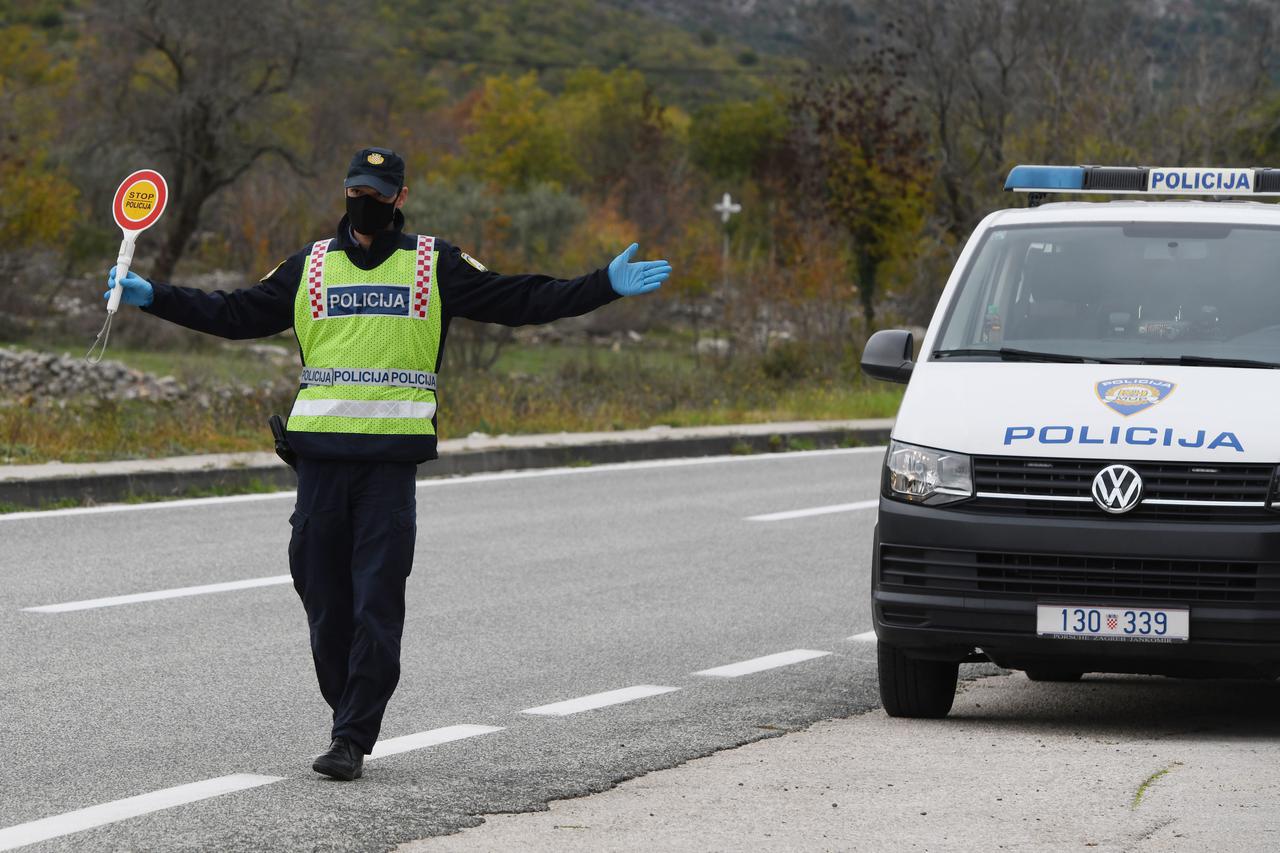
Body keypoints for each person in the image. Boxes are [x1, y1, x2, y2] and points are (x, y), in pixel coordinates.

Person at [104, 146, 671, 781]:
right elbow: (235, 313)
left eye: (376, 191)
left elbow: (520, 300)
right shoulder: (310, 265)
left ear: (400, 197)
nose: (363, 200)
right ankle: (348, 704)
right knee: (322, 596)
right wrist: (154, 296)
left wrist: (601, 286)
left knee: (376, 600)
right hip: (319, 462)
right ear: (344, 191)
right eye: (355, 189)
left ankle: (350, 735)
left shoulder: (435, 263)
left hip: (388, 468)